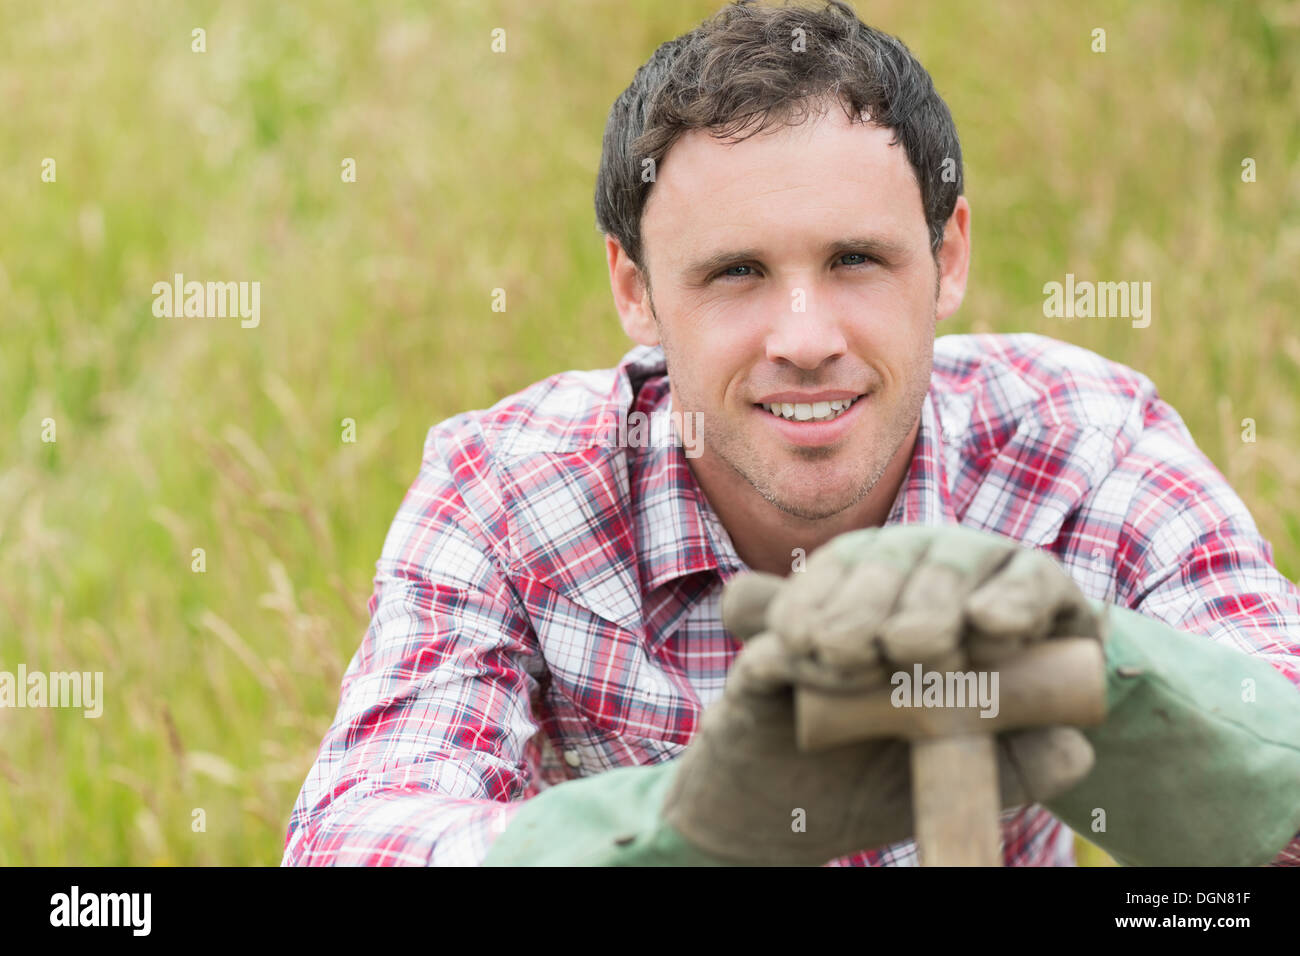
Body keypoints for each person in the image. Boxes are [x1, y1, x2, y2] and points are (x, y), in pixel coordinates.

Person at [282, 0, 1300, 866]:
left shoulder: (1080, 442)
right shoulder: (505, 491)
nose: (804, 340)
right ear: (633, 289)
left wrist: (1105, 673)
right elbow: (355, 832)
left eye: (857, 258)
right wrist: (671, 834)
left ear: (947, 256)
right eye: (736, 273)